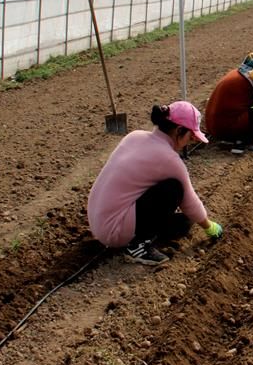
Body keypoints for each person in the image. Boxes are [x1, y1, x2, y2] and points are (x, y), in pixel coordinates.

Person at [87, 101, 223, 266]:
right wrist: (210, 227)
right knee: (173, 189)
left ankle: (142, 232)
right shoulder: (169, 159)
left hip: (98, 219)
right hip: (114, 231)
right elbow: (189, 200)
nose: (191, 140)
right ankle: (138, 247)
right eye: (191, 136)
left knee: (184, 224)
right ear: (179, 130)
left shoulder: (134, 136)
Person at [205, 52, 253, 155]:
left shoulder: (237, 72)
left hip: (212, 126)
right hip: (225, 127)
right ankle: (243, 142)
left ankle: (236, 138)